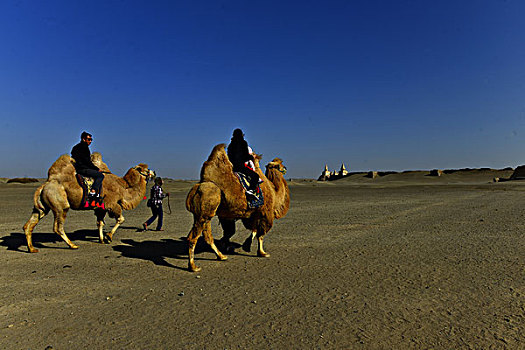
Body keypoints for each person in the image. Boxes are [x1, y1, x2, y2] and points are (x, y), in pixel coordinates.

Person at [71, 131, 105, 205]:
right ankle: (93, 192)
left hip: (78, 168)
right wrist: (97, 169)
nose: (90, 141)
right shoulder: (84, 148)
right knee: (100, 175)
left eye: (91, 139)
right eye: (88, 139)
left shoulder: (75, 147)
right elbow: (87, 162)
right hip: (83, 169)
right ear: (83, 139)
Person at [227, 128, 260, 195]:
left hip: (232, 168)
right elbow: (245, 157)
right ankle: (251, 190)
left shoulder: (230, 145)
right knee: (255, 176)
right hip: (240, 167)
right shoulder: (243, 143)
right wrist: (251, 157)